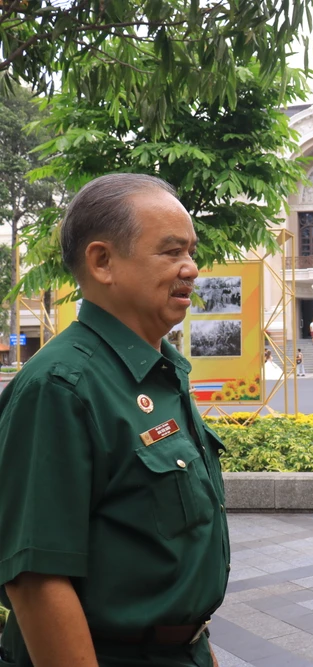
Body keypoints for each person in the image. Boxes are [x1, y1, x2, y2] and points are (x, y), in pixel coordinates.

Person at [0, 174, 229, 667]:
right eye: (171, 252)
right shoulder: (62, 386)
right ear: (102, 262)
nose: (191, 267)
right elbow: (35, 582)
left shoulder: (160, 369)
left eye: (191, 251)